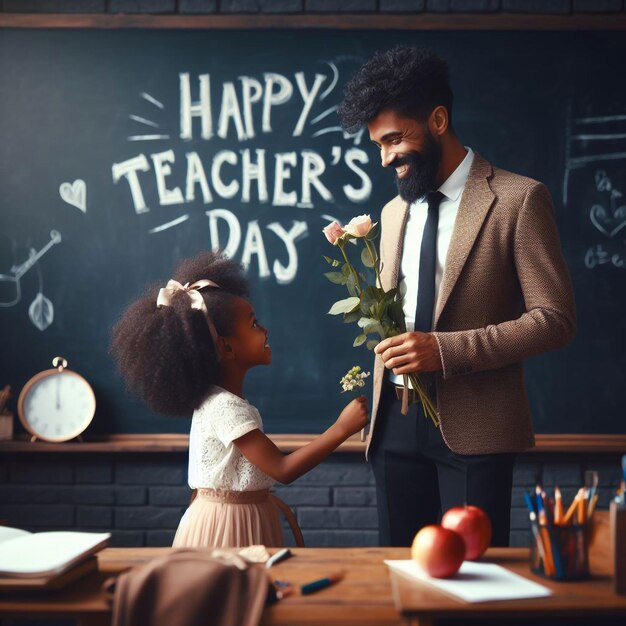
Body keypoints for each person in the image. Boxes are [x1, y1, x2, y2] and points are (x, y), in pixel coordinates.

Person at [338, 46, 576, 547]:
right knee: (400, 584)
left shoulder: (518, 199)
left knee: (475, 589)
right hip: (394, 425)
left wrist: (446, 351)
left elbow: (554, 319)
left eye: (394, 139)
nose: (385, 158)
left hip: (478, 429)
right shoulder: (394, 213)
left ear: (439, 120)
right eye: (378, 145)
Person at [110, 251, 368, 548]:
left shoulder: (219, 400)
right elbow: (283, 470)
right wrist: (342, 428)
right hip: (229, 527)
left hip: (232, 516)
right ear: (227, 348)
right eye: (254, 324)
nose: (266, 329)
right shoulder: (226, 408)